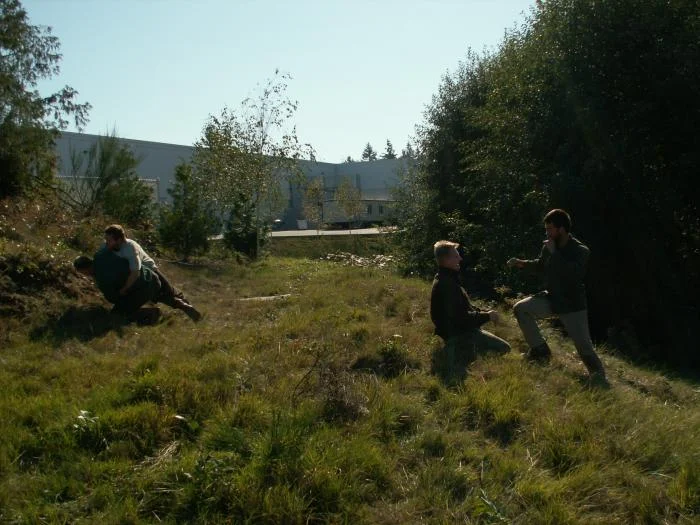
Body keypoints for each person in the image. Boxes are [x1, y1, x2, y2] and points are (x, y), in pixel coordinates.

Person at [507, 209, 606, 382]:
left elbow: (573, 274)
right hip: (551, 298)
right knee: (521, 309)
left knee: (584, 348)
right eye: (546, 229)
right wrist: (521, 263)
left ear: (561, 229)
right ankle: (540, 351)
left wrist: (555, 254)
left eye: (550, 229)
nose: (547, 233)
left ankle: (599, 378)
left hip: (572, 305)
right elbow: (540, 266)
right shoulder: (549, 245)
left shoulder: (581, 250)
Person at [430, 240, 511, 376]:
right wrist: (488, 316)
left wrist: (484, 313)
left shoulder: (445, 277)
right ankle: (462, 354)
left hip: (455, 331)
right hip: (458, 334)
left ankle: (462, 352)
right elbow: (462, 319)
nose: (460, 259)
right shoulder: (448, 285)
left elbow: (465, 309)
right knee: (504, 348)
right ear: (446, 260)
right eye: (456, 256)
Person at [103, 224, 201, 321]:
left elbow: (135, 272)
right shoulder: (111, 246)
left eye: (109, 240)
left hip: (151, 273)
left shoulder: (130, 248)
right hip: (144, 276)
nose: (106, 243)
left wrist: (125, 288)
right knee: (168, 295)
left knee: (168, 295)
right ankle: (188, 309)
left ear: (119, 240)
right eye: (106, 240)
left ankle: (190, 311)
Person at [73, 247, 162, 323]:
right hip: (150, 276)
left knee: (117, 315)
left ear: (85, 269)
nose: (84, 275)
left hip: (146, 286)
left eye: (83, 273)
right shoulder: (101, 257)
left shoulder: (101, 277)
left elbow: (113, 298)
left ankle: (151, 313)